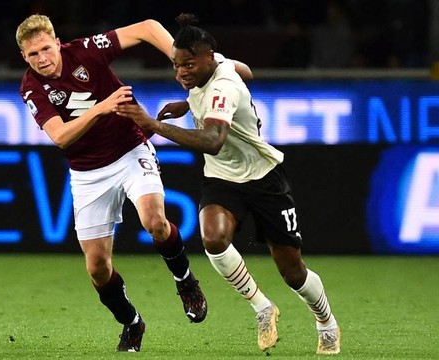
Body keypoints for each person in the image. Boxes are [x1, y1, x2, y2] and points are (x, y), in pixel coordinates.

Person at [115, 13, 341, 355]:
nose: (180, 73)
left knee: (293, 272)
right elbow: (246, 71)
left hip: (264, 178)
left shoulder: (223, 87)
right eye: (176, 66)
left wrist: (153, 125)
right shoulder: (216, 66)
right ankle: (262, 307)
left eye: (188, 65)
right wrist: (188, 103)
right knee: (213, 238)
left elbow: (214, 140)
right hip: (223, 177)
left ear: (208, 59)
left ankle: (326, 323)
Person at [15, 14, 207, 352]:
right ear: (24, 57)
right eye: (34, 55)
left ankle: (185, 281)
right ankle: (132, 323)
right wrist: (102, 108)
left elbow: (147, 28)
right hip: (87, 173)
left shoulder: (87, 50)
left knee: (155, 221)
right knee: (98, 268)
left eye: (46, 49)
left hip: (130, 150)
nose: (42, 59)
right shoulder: (31, 87)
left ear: (57, 42)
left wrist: (180, 63)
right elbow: (60, 136)